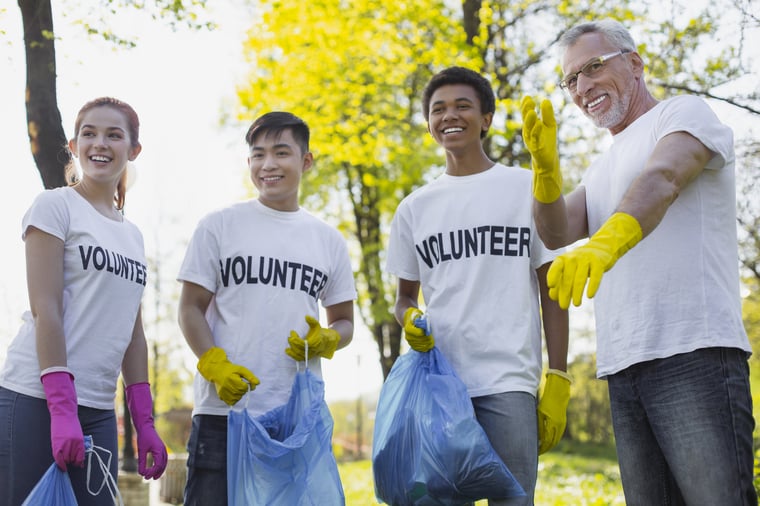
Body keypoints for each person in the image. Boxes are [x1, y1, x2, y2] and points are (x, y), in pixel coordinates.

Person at [521, 18, 756, 505]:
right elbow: (555, 230)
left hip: (694, 351)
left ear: (634, 63)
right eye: (571, 80)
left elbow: (665, 177)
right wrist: (545, 174)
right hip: (623, 365)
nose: (582, 87)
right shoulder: (600, 165)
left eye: (592, 67)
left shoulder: (683, 113)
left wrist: (606, 244)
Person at [385, 66, 570, 505]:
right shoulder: (414, 208)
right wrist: (409, 316)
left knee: (514, 500)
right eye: (438, 109)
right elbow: (404, 298)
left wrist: (559, 375)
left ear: (486, 118)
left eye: (462, 106)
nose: (450, 116)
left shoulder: (525, 188)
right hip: (442, 386)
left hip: (510, 381)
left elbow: (552, 287)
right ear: (429, 123)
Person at [177, 111, 357, 505]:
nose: (268, 165)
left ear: (306, 161)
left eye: (281, 152)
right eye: (258, 155)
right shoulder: (219, 226)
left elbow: (344, 322)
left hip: (294, 418)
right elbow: (190, 308)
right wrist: (213, 363)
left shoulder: (328, 241)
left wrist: (327, 339)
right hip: (224, 415)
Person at [0, 97, 167, 506]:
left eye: (114, 135)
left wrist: (143, 420)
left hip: (97, 408)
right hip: (36, 398)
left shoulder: (133, 236)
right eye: (89, 134)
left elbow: (133, 334)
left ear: (133, 150)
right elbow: (46, 309)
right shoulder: (54, 206)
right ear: (74, 146)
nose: (100, 144)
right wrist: (61, 409)